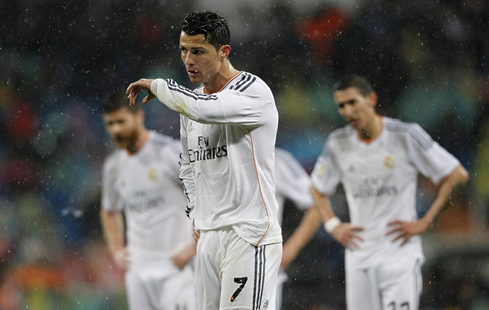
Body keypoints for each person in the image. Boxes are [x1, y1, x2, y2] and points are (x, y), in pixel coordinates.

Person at [126, 11, 282, 310]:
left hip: (248, 234)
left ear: (224, 52)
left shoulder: (252, 91)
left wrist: (158, 85)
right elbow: (188, 165)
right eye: (183, 50)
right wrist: (197, 215)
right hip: (209, 238)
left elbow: (202, 109)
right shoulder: (193, 102)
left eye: (198, 51)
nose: (188, 60)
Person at [309, 75, 469, 310]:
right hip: (359, 256)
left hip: (399, 254)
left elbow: (457, 175)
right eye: (341, 106)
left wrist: (428, 220)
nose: (347, 111)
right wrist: (333, 225)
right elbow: (316, 188)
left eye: (352, 102)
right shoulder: (337, 143)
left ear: (371, 99)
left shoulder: (405, 135)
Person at [100, 92, 197, 310]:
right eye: (110, 124)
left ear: (139, 117)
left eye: (121, 122)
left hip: (176, 268)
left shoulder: (168, 152)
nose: (116, 129)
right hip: (138, 271)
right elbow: (109, 211)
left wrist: (194, 248)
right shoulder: (113, 166)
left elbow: (206, 198)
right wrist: (116, 249)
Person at [274, 148, 322, 310]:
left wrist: (288, 251)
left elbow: (318, 205)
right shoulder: (203, 155)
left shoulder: (276, 160)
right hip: (209, 263)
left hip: (260, 268)